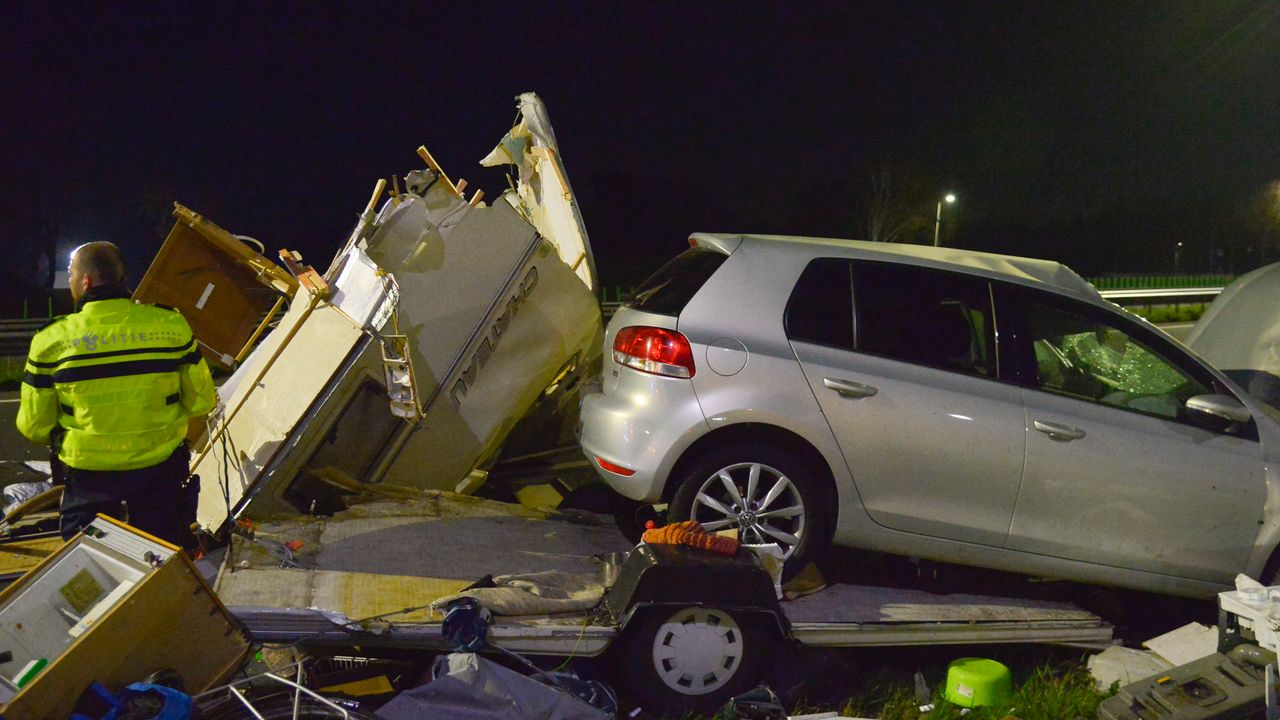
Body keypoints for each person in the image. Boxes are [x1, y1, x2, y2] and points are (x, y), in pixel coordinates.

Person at [16, 242, 216, 546]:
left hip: (88, 474)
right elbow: (202, 400)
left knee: (91, 563)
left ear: (85, 281)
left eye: (71, 274)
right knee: (163, 558)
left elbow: (33, 425)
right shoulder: (170, 325)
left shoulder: (51, 339)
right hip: (160, 469)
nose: (70, 281)